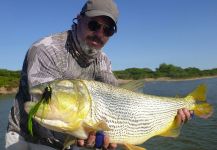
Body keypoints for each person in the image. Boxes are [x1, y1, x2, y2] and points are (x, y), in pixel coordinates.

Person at [5, 0, 192, 149]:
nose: (99, 34)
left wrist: (172, 116)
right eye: (94, 25)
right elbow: (41, 108)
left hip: (72, 139)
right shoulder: (46, 50)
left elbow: (117, 98)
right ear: (78, 19)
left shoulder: (103, 61)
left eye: (108, 30)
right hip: (29, 140)